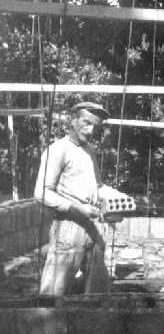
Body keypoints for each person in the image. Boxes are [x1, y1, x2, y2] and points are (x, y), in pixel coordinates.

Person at [34, 101, 111, 295]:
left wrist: (116, 201)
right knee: (53, 291)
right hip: (67, 227)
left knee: (98, 290)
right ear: (73, 120)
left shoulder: (89, 151)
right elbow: (41, 193)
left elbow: (98, 188)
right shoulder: (57, 150)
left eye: (95, 126)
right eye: (87, 123)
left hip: (91, 227)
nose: (91, 130)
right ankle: (47, 313)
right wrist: (78, 208)